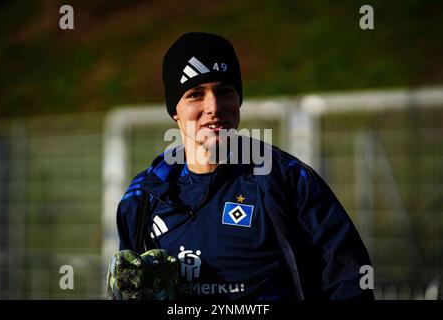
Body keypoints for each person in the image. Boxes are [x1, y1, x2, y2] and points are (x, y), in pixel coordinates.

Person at [106, 32, 374, 301]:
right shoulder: (144, 197)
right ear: (174, 110)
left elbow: (347, 279)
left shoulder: (287, 180)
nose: (214, 107)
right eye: (195, 94)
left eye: (224, 91)